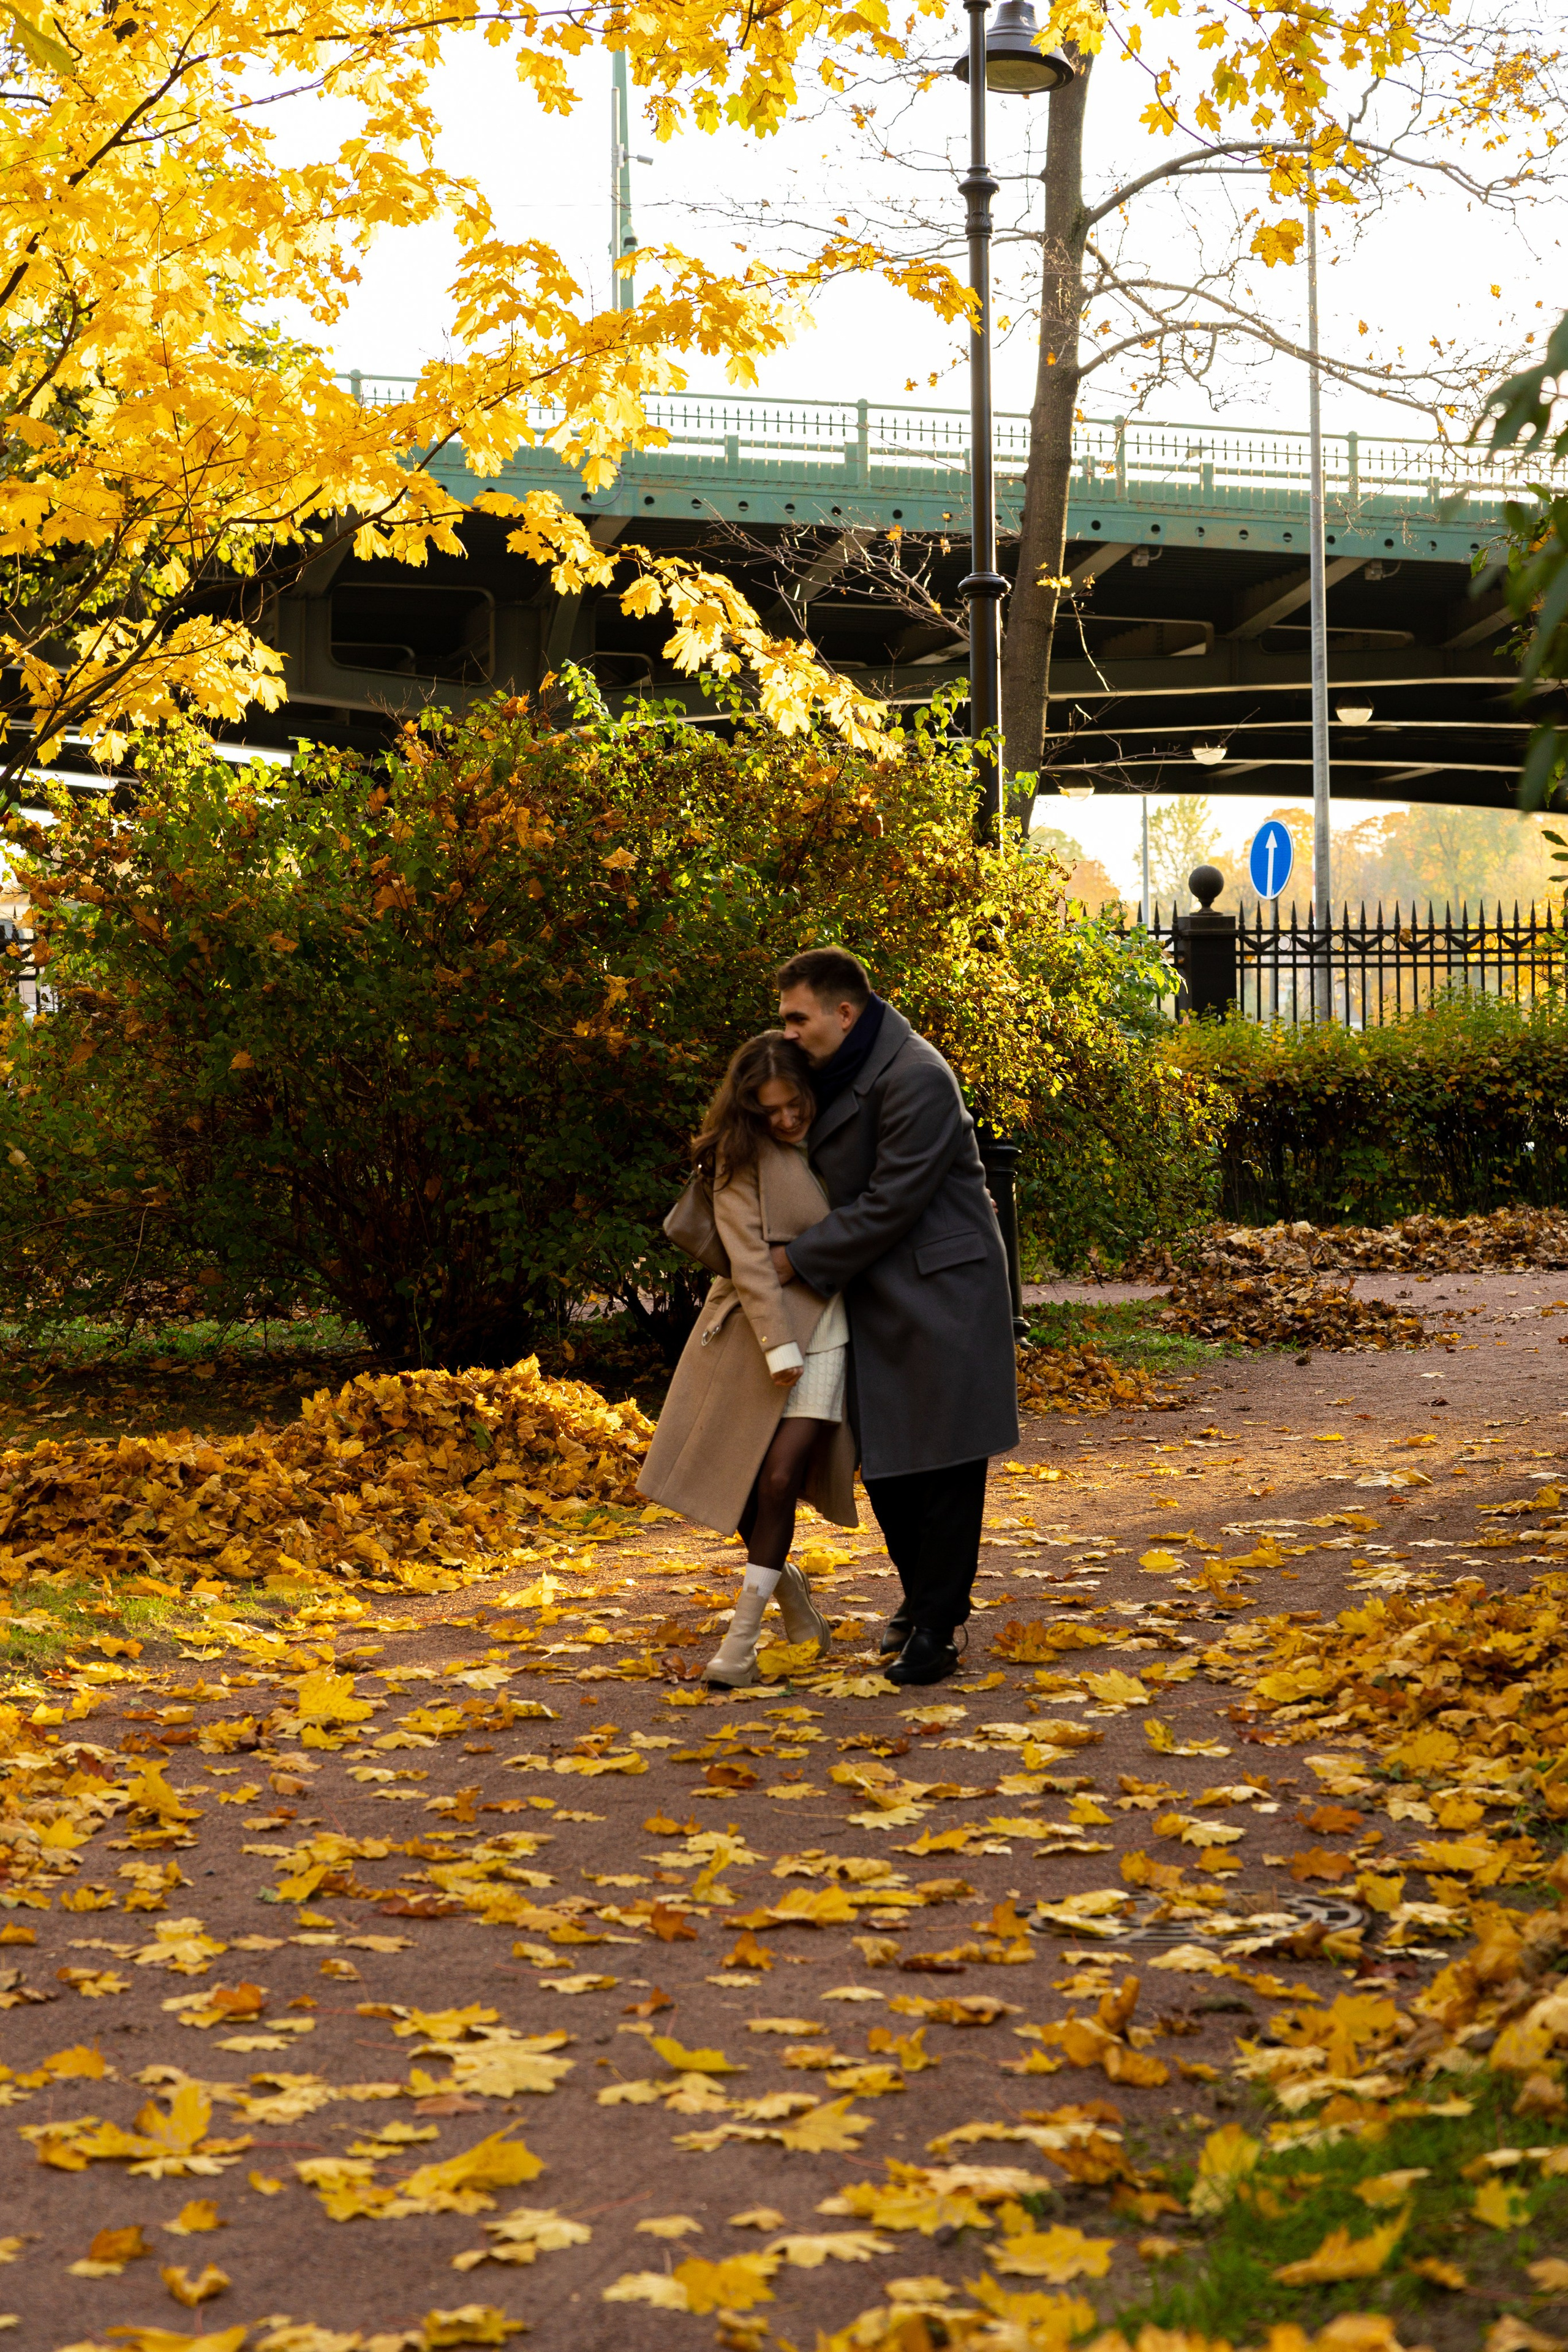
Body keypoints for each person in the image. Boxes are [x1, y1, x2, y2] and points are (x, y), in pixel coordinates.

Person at [773, 946, 1018, 1686]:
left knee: (942, 1460)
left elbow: (891, 1201)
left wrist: (795, 1260)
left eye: (797, 1017)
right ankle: (922, 1601)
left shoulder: (915, 1075)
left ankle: (938, 1627)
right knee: (881, 1459)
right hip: (874, 1287)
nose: (787, 1032)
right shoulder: (826, 1070)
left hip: (941, 1288)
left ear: (844, 1014)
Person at [636, 1030, 856, 1687]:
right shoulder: (738, 1155)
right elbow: (748, 1261)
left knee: (779, 1479)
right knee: (723, 1481)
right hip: (750, 1332)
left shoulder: (843, 1136)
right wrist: (776, 1344)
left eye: (795, 1105)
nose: (787, 1119)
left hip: (830, 1327)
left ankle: (739, 1643)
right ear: (750, 1109)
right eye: (772, 1111)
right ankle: (788, 1588)